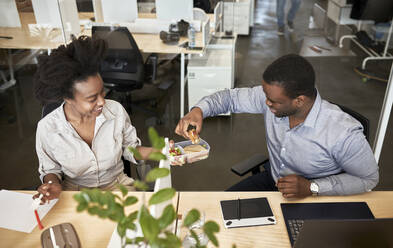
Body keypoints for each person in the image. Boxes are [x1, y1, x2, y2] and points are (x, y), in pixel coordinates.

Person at [175, 54, 379, 198]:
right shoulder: (273, 97)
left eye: (273, 101)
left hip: (316, 196)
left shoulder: (343, 132)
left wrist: (313, 187)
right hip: (273, 181)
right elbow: (230, 98)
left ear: (299, 100)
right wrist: (198, 110)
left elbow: (368, 178)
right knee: (223, 210)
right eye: (266, 96)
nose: (266, 103)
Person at [33, 36, 155, 203]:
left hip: (117, 187)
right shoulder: (48, 128)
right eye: (92, 99)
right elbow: (50, 169)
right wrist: (52, 184)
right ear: (68, 98)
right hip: (74, 194)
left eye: (102, 92)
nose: (102, 102)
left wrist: (163, 153)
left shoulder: (115, 111)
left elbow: (131, 149)